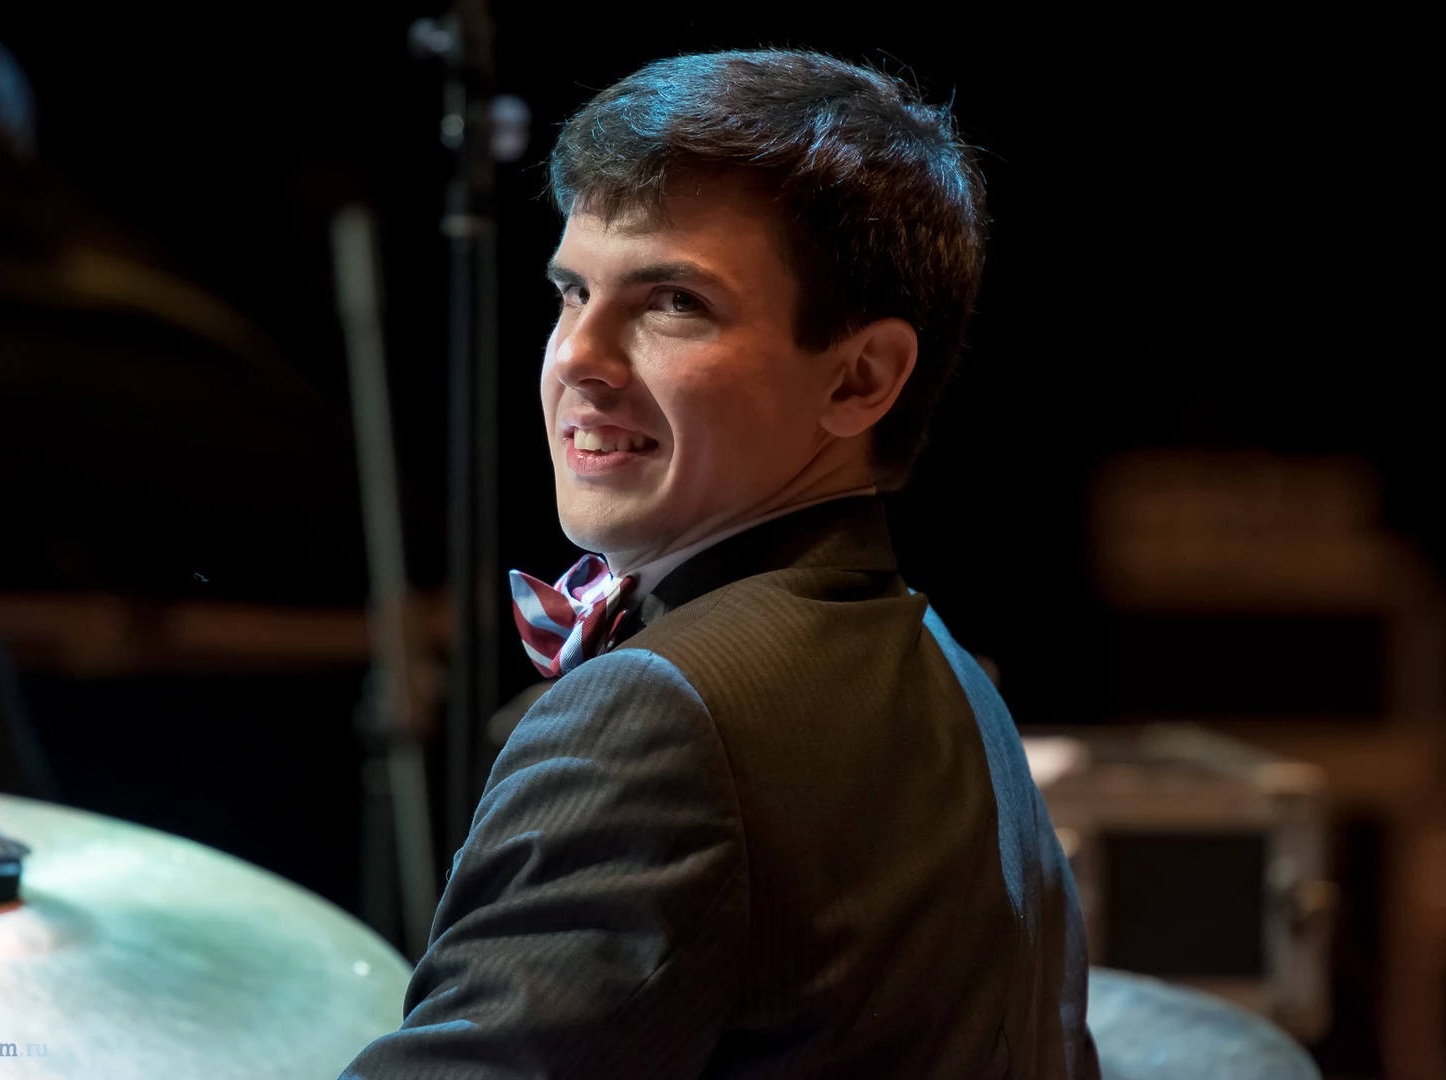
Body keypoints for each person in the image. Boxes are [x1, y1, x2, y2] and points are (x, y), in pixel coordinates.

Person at [342, 49, 1097, 1078]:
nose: (577, 358)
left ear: (861, 378)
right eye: (572, 293)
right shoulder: (954, 679)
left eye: (673, 303)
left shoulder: (654, 719)